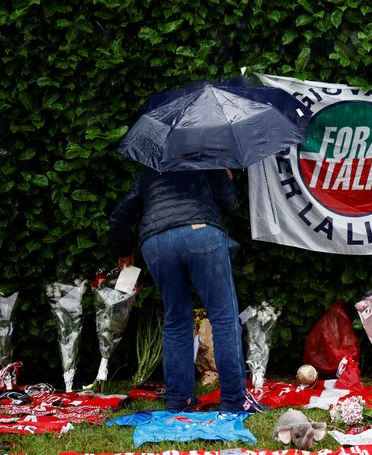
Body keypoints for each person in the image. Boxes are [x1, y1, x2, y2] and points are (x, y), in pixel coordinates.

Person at [110, 167, 264, 413]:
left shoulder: (151, 168)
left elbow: (119, 215)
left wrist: (124, 249)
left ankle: (179, 399)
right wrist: (225, 177)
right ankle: (235, 400)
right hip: (200, 231)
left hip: (156, 242)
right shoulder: (207, 157)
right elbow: (228, 203)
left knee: (176, 319)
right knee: (223, 318)